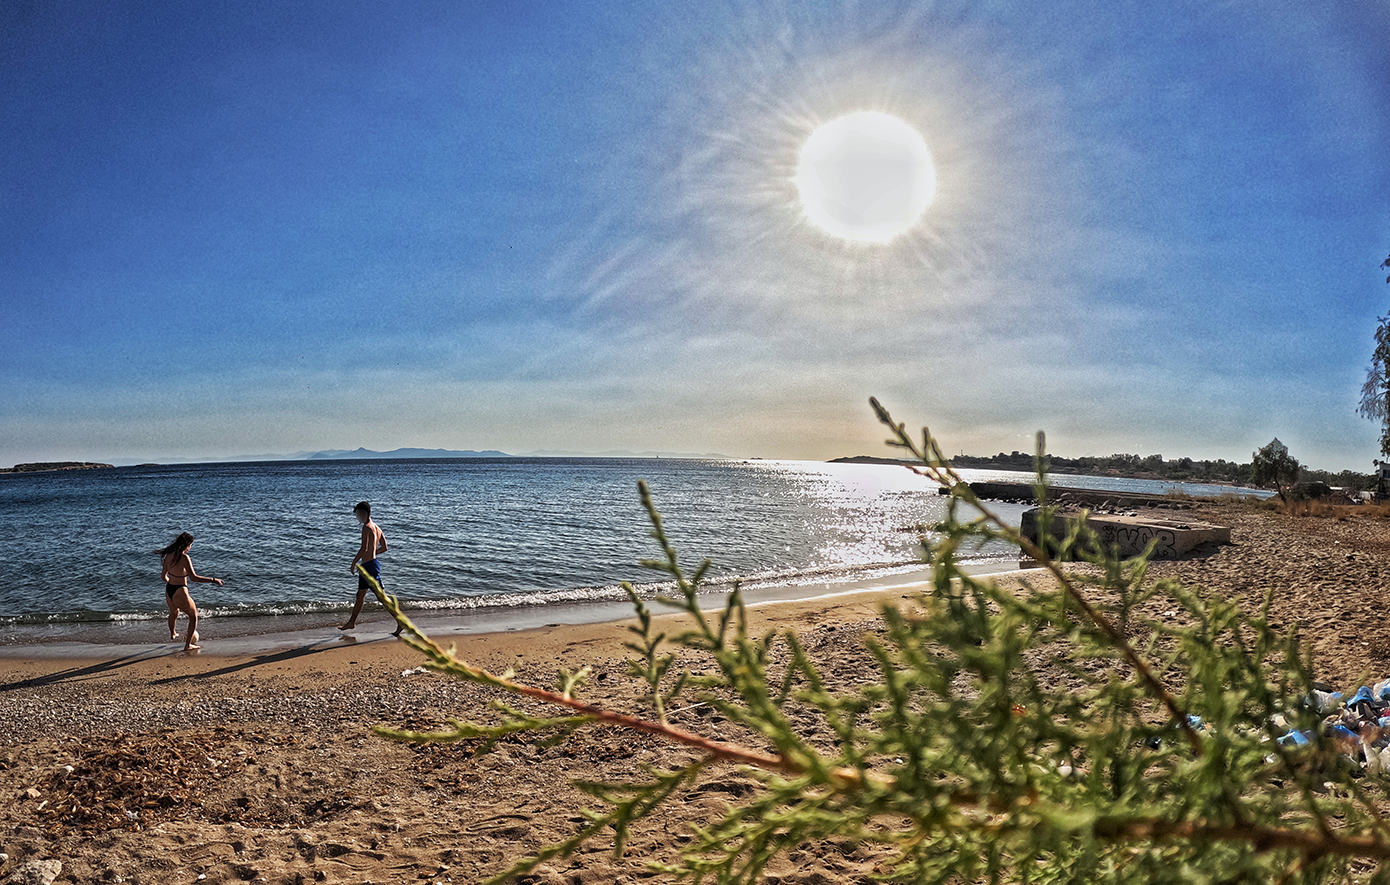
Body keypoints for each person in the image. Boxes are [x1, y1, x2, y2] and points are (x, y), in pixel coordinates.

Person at [157, 531, 223, 651]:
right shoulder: (184, 558)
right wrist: (213, 580)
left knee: (173, 613)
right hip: (180, 591)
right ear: (187, 545)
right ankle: (188, 646)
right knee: (193, 616)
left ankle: (173, 633)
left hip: (169, 590)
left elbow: (163, 576)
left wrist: (171, 581)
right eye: (190, 545)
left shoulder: (168, 556)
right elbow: (194, 578)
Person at [340, 501, 397, 634]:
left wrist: (354, 562)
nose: (357, 518)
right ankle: (351, 623)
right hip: (371, 564)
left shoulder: (366, 528)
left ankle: (400, 621)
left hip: (369, 567)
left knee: (381, 597)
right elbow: (384, 547)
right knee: (360, 595)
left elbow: (363, 548)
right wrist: (372, 553)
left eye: (359, 514)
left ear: (365, 513)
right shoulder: (376, 527)